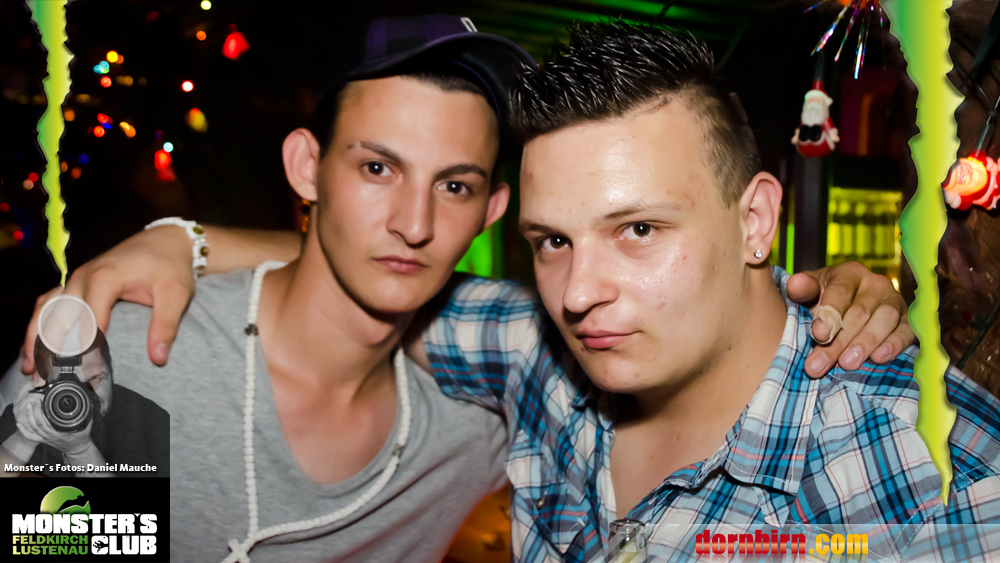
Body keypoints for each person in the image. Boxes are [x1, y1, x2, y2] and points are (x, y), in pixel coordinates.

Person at [7, 15, 914, 563]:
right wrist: (182, 237)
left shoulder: (497, 395)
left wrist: (842, 296)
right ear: (307, 166)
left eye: (454, 184)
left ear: (490, 211)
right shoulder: (118, 362)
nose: (413, 222)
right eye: (376, 168)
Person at [416, 21, 1000, 562]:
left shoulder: (938, 477)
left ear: (756, 222)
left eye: (639, 229)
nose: (577, 294)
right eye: (552, 241)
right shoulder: (542, 360)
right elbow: (386, 293)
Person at [0, 330, 168, 477]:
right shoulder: (29, 411)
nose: (83, 395)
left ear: (111, 373)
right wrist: (22, 441)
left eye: (94, 378)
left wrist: (80, 450)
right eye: (64, 386)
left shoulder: (148, 421)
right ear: (42, 384)